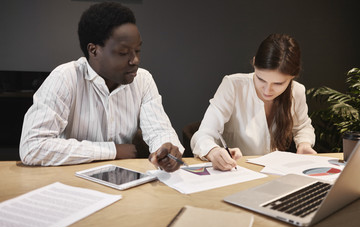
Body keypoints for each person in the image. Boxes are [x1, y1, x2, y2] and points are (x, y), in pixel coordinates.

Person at [19, 2, 184, 172]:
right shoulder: (65, 78)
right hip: (71, 182)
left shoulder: (143, 80)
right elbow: (32, 147)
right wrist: (112, 150)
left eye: (138, 50)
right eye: (123, 52)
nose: (135, 60)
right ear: (94, 50)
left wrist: (167, 148)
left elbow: (159, 130)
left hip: (122, 183)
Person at [191, 33, 316, 171]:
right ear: (255, 63)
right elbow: (203, 134)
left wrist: (304, 144)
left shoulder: (296, 91)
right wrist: (213, 151)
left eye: (278, 83)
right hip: (237, 171)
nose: (267, 90)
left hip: (274, 172)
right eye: (261, 79)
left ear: (293, 76)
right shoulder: (233, 85)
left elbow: (302, 127)